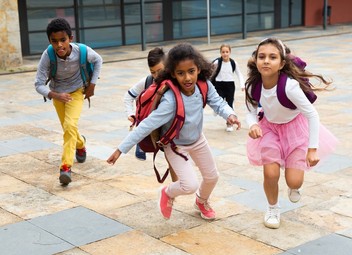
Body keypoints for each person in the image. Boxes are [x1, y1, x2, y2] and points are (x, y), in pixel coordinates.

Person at [108, 42, 241, 220]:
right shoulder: (170, 101)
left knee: (212, 177)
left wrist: (230, 115)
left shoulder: (204, 86)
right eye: (181, 73)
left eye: (191, 71)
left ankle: (201, 201)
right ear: (172, 73)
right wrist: (120, 150)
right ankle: (167, 192)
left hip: (197, 139)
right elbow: (146, 125)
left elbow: (217, 102)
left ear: (199, 69)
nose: (187, 78)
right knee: (189, 185)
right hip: (175, 145)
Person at [244, 37, 338, 229]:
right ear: (256, 61)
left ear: (282, 64)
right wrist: (253, 124)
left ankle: (294, 185)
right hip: (269, 128)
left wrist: (312, 149)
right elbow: (251, 111)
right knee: (270, 173)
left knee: (294, 181)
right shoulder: (253, 85)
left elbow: (312, 115)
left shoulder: (289, 86)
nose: (266, 61)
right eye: (262, 57)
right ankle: (272, 208)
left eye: (272, 57)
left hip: (295, 129)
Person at [34, 18, 103, 185]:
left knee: (69, 126)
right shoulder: (47, 55)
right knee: (68, 127)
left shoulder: (82, 52)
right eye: (54, 41)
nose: (59, 45)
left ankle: (65, 167)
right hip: (57, 94)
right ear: (50, 41)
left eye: (63, 40)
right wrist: (55, 95)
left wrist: (92, 85)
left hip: (77, 92)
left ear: (70, 38)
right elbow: (38, 84)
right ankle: (80, 143)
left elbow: (98, 60)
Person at [124, 47, 165, 161]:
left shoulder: (174, 80)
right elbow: (128, 97)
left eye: (160, 71)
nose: (157, 75)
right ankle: (141, 142)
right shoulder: (147, 81)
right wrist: (130, 114)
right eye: (153, 72)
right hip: (150, 127)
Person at [211, 44, 245, 132]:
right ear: (220, 53)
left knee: (229, 105)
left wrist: (242, 85)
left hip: (230, 85)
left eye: (227, 52)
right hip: (219, 84)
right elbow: (210, 72)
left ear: (230, 52)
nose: (225, 54)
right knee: (220, 100)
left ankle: (229, 123)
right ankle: (217, 109)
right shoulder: (217, 62)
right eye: (223, 52)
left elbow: (239, 74)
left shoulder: (233, 63)